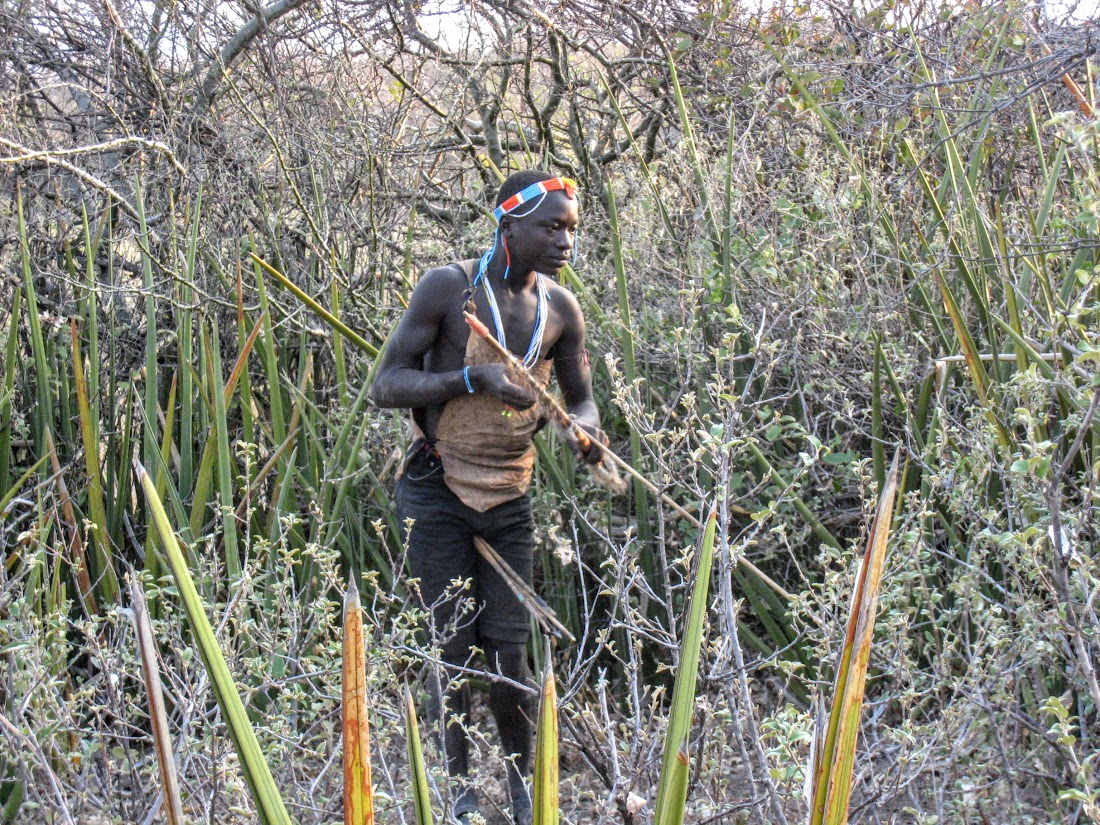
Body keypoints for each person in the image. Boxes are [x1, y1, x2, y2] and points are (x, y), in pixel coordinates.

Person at [370, 170, 606, 824]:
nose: (565, 240)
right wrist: (473, 375)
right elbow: (386, 384)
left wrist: (585, 430)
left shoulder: (560, 309)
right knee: (451, 644)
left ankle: (521, 786)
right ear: (509, 225)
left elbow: (581, 397)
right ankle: (460, 790)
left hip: (510, 494)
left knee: (509, 654)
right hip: (436, 485)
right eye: (551, 227)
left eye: (571, 229)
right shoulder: (450, 288)